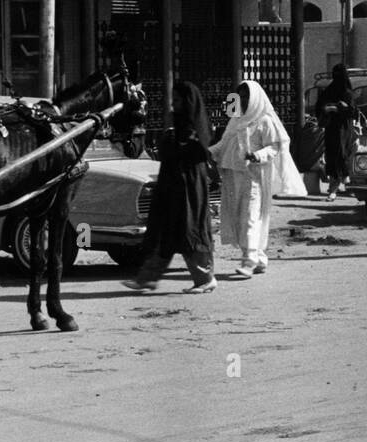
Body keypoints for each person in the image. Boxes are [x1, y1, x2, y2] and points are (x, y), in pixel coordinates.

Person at [125, 81, 216, 293]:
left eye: (177, 100)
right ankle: (147, 278)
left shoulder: (196, 129)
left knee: (189, 232)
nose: (173, 105)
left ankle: (205, 279)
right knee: (163, 233)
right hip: (170, 188)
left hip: (189, 191)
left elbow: (199, 154)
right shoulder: (176, 126)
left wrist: (183, 142)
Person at [211, 80, 303, 278]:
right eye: (240, 96)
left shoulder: (264, 121)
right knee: (238, 215)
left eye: (246, 96)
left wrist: (258, 155)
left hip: (255, 177)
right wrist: (207, 152)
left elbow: (276, 146)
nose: (243, 100)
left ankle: (249, 259)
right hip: (233, 175)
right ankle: (260, 258)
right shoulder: (235, 120)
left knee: (250, 216)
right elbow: (224, 143)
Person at [316, 63, 355, 201]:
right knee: (335, 156)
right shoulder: (332, 91)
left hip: (341, 129)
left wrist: (340, 108)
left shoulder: (345, 92)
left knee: (341, 155)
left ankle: (338, 184)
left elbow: (352, 111)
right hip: (334, 128)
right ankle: (334, 186)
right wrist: (328, 109)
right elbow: (320, 107)